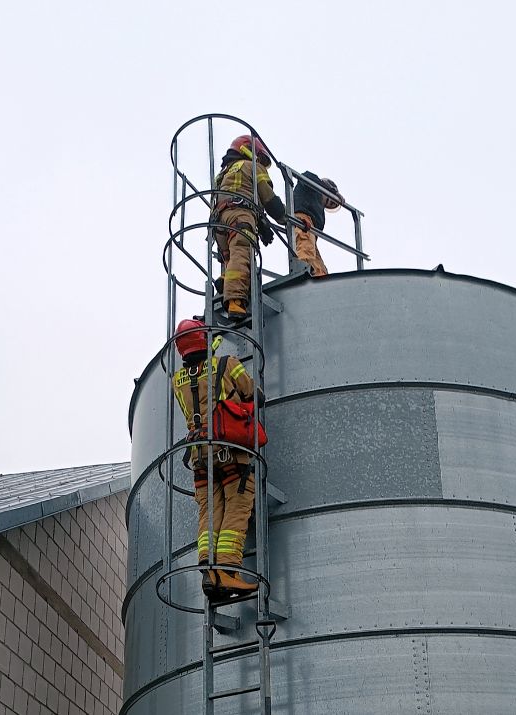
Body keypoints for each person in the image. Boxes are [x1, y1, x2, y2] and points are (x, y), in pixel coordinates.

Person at [171, 318, 260, 599]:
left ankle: (209, 571)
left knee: (210, 509)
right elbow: (253, 394)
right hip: (228, 449)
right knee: (239, 502)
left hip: (199, 455)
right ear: (204, 339)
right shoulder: (226, 363)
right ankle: (228, 572)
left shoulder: (177, 381)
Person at [212, 135, 287, 321]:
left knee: (230, 256)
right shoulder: (252, 167)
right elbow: (267, 197)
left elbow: (236, 194)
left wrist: (261, 224)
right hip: (240, 216)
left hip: (218, 223)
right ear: (248, 150)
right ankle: (235, 300)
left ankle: (225, 279)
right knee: (242, 252)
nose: (260, 162)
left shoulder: (222, 174)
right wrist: (284, 217)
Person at [292, 172, 343, 277]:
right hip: (303, 221)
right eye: (329, 200)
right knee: (306, 251)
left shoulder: (319, 208)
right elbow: (304, 176)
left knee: (319, 267)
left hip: (311, 231)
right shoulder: (313, 185)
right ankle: (303, 276)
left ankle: (320, 281)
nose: (327, 204)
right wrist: (335, 194)